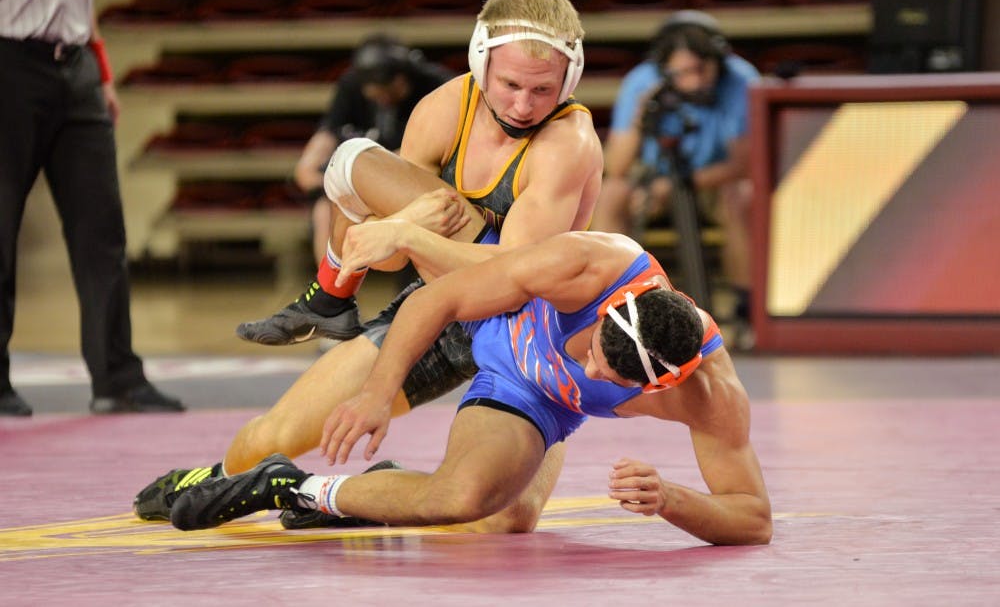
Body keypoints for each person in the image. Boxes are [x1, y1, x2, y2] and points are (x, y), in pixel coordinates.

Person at [132, 0, 603, 529]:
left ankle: (358, 491)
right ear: (480, 60)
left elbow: (509, 280)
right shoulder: (446, 108)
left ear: (569, 80)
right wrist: (398, 229)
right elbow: (383, 259)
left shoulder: (566, 144)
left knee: (503, 520)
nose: (523, 105)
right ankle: (215, 473)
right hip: (438, 308)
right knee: (270, 438)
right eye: (510, 85)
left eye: (542, 91)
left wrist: (407, 232)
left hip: (530, 334)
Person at [169, 229, 773, 546]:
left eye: (612, 382)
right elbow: (442, 297)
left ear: (667, 381)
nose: (592, 373)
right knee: (391, 194)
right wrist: (379, 393)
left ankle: (294, 487)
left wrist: (670, 498)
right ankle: (352, 266)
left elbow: (752, 518)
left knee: (482, 511)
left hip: (535, 398)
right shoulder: (588, 265)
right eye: (592, 351)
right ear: (612, 306)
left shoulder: (710, 394)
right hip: (488, 319)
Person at [0, 0, 184, 416]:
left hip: (76, 63)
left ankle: (117, 379)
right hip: (8, 61)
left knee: (102, 231)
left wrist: (101, 71)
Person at [589, 10, 759, 333]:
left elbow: (745, 164)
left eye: (702, 69)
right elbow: (617, 166)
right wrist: (642, 114)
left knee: (743, 194)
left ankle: (745, 307)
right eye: (684, 72)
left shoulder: (740, 80)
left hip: (717, 181)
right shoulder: (643, 81)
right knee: (612, 194)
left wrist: (681, 183)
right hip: (655, 179)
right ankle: (612, 308)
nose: (694, 81)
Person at [293, 34, 452, 266]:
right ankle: (329, 293)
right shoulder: (351, 84)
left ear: (403, 77)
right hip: (364, 178)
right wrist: (309, 165)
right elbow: (328, 131)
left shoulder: (436, 85)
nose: (382, 97)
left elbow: (431, 154)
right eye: (375, 92)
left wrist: (374, 171)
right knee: (323, 209)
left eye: (389, 90)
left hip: (418, 178)